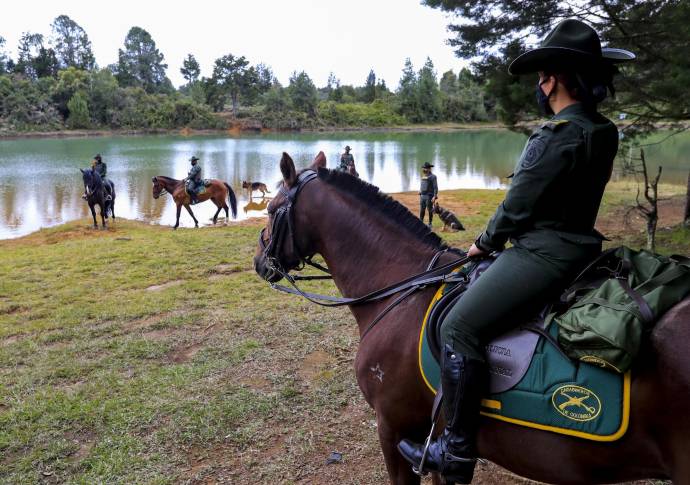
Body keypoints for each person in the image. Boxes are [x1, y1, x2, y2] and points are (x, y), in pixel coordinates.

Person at [398, 19, 635, 484]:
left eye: (543, 75)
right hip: (582, 245)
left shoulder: (555, 135)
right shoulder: (602, 130)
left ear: (556, 79)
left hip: (543, 253)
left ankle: (457, 452)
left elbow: (518, 204)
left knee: (459, 325)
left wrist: (483, 242)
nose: (540, 85)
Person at [419, 162, 438, 228]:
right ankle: (420, 222)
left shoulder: (433, 177)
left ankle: (430, 223)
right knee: (422, 210)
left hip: (429, 196)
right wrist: (420, 191)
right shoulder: (423, 176)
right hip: (422, 196)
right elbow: (422, 184)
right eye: (423, 168)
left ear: (429, 169)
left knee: (430, 210)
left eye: (425, 168)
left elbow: (435, 187)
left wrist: (435, 196)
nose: (424, 169)